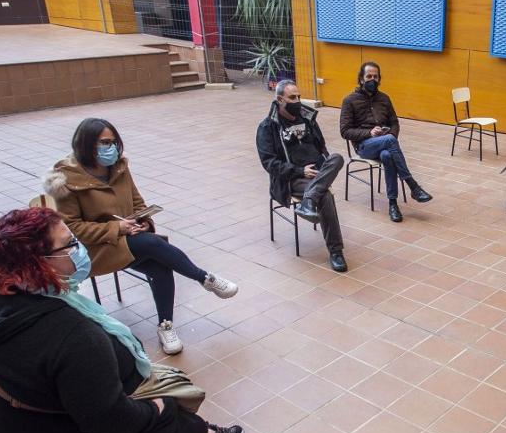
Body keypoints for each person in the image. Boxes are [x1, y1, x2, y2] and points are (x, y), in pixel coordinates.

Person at [0, 207, 245, 433]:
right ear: (39, 263)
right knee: (186, 426)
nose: (79, 248)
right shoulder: (70, 334)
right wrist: (158, 408)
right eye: (70, 243)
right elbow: (112, 420)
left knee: (168, 402)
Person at [44, 118, 238, 356]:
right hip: (96, 250)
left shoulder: (119, 168)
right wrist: (118, 229)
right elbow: (73, 228)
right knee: (152, 245)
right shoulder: (66, 180)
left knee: (160, 265)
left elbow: (137, 202)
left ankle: (166, 325)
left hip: (130, 240)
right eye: (105, 142)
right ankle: (204, 277)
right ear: (86, 145)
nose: (111, 147)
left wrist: (143, 221)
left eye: (114, 142)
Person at [256, 79, 348, 272]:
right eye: (292, 97)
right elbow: (269, 163)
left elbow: (322, 148)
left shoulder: (308, 120)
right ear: (280, 100)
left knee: (337, 158)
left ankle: (308, 201)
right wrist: (299, 171)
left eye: (298, 96)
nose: (297, 101)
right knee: (325, 195)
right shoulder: (267, 127)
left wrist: (321, 167)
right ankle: (336, 251)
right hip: (291, 179)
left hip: (317, 174)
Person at [339, 61, 432, 222]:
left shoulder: (384, 98)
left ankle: (393, 204)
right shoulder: (349, 100)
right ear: (361, 79)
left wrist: (390, 136)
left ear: (379, 79)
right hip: (363, 146)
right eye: (369, 76)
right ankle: (412, 185)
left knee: (387, 155)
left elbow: (395, 123)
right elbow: (345, 131)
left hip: (385, 142)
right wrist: (369, 132)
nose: (372, 80)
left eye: (375, 77)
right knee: (389, 142)